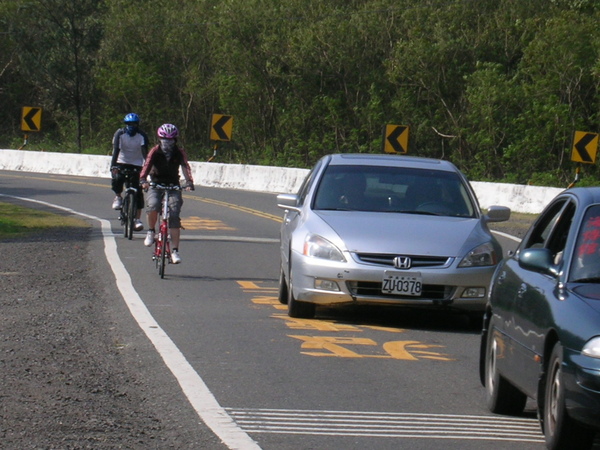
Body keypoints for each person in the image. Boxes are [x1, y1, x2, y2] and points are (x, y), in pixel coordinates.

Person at [139, 123, 194, 264]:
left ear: (175, 140)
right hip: (156, 184)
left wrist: (189, 182)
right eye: (164, 139)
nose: (167, 143)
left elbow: (185, 167)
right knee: (153, 205)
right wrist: (143, 179)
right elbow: (147, 165)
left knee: (174, 214)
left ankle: (175, 251)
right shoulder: (155, 151)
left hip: (173, 186)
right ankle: (151, 231)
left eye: (170, 140)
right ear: (159, 139)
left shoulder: (179, 152)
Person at [110, 113, 149, 232]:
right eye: (129, 124)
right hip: (121, 161)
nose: (131, 126)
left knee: (138, 191)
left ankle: (137, 219)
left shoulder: (142, 135)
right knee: (117, 179)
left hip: (137, 163)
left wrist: (146, 168)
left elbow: (145, 153)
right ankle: (118, 197)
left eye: (134, 124)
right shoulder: (120, 134)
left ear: (137, 125)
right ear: (125, 124)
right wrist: (113, 166)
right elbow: (116, 150)